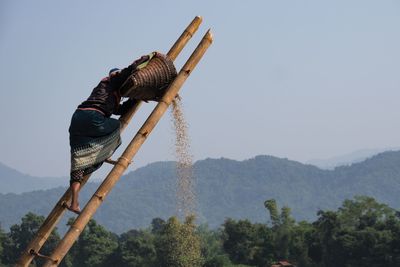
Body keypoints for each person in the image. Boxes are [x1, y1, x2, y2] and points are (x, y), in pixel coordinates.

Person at [67, 55, 149, 214]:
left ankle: (74, 203)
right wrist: (144, 59)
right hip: (93, 117)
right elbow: (125, 73)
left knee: (78, 164)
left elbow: (121, 110)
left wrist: (135, 99)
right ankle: (102, 153)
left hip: (77, 118)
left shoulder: (108, 93)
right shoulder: (112, 80)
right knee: (116, 127)